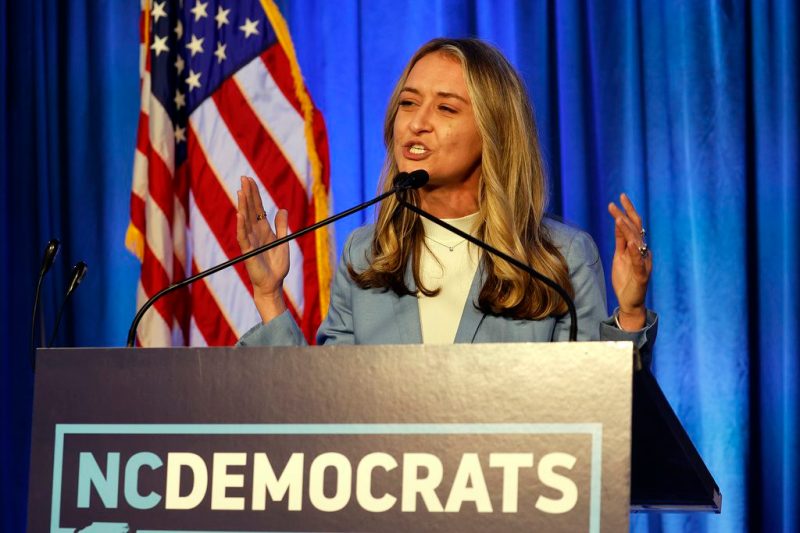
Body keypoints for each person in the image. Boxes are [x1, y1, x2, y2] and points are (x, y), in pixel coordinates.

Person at [235, 38, 656, 353]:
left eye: (446, 108)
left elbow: (599, 415)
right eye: (408, 103)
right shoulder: (367, 256)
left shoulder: (558, 258)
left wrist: (631, 314)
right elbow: (322, 410)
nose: (416, 123)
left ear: (494, 132)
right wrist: (270, 296)